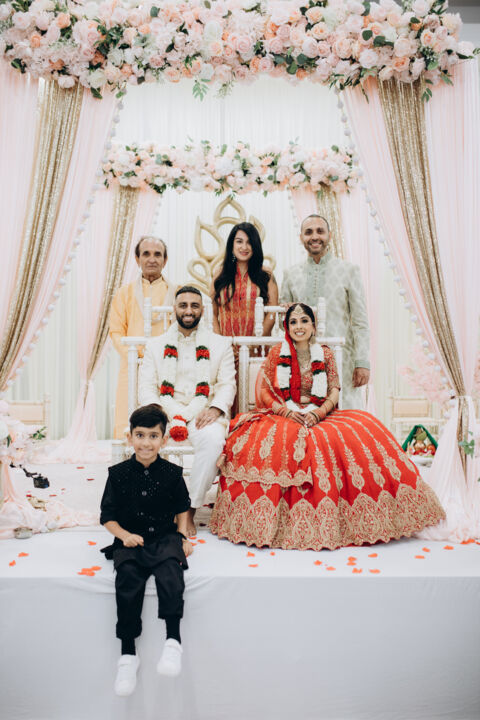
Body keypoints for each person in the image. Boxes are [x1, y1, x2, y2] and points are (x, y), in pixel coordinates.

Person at [210, 303, 445, 550]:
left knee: (364, 427)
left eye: (304, 321)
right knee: (274, 442)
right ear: (286, 327)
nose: (299, 327)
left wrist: (318, 413)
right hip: (283, 414)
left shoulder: (325, 353)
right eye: (293, 322)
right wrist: (286, 411)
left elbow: (334, 390)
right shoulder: (277, 353)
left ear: (313, 326)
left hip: (320, 413)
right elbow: (265, 392)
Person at [100, 404, 193, 696]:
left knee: (171, 574)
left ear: (163, 440)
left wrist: (182, 536)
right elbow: (107, 517)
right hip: (130, 540)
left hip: (164, 538)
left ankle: (173, 642)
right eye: (140, 435)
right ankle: (128, 655)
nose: (146, 443)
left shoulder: (173, 473)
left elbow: (182, 508)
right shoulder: (117, 474)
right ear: (130, 437)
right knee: (127, 578)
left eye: (153, 436)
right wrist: (124, 535)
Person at [138, 285, 236, 536]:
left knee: (213, 441)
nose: (189, 311)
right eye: (183, 305)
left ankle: (189, 509)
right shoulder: (155, 345)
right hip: (165, 412)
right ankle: (155, 507)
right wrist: (158, 413)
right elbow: (147, 385)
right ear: (175, 309)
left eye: (194, 306)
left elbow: (227, 384)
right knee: (147, 439)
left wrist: (215, 408)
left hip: (202, 413)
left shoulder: (220, 344)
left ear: (202, 309)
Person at [280, 215, 370, 409]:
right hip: (302, 362)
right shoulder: (290, 274)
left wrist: (362, 361)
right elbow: (283, 324)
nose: (315, 236)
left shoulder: (349, 270)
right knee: (308, 415)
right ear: (301, 237)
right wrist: (286, 314)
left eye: (320, 231)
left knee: (345, 413)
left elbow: (360, 321)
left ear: (330, 235)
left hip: (342, 359)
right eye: (308, 232)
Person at [109, 236, 176, 439]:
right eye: (146, 254)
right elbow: (116, 331)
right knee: (127, 417)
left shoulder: (176, 293)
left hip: (166, 365)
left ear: (165, 260)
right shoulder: (124, 293)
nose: (152, 259)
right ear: (137, 259)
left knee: (164, 417)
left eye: (157, 254)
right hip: (132, 364)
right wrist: (133, 356)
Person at [211, 222, 278, 338]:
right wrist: (220, 342)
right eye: (239, 241)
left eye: (249, 242)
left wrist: (254, 343)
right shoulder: (220, 273)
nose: (244, 247)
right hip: (226, 346)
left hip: (258, 344)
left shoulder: (266, 274)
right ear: (232, 244)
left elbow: (272, 312)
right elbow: (212, 312)